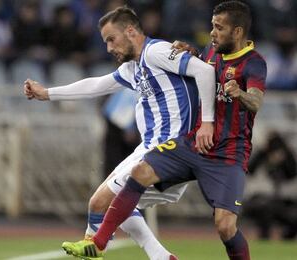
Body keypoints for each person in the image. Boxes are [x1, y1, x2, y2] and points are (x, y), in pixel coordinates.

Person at [62, 1, 267, 260]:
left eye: (219, 27)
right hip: (193, 144)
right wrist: (190, 52)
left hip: (228, 154)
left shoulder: (254, 63)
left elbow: (257, 101)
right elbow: (197, 70)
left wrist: (241, 94)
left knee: (225, 226)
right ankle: (98, 243)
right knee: (139, 172)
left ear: (237, 32)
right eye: (212, 26)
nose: (212, 32)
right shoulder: (212, 52)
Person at [23, 5, 216, 260]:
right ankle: (161, 256)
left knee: (98, 204)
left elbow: (204, 70)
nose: (108, 48)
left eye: (111, 39)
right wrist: (48, 94)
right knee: (119, 205)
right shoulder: (133, 68)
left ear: (131, 31)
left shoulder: (156, 51)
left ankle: (93, 249)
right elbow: (97, 85)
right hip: (157, 150)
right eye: (105, 42)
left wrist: (207, 123)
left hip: (166, 149)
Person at [245, 131, 297, 240]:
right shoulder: (261, 156)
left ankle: (287, 240)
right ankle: (264, 238)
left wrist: (285, 155)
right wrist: (263, 152)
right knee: (265, 209)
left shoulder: (286, 158)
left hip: (280, 200)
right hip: (258, 199)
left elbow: (292, 173)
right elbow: (250, 169)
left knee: (291, 214)